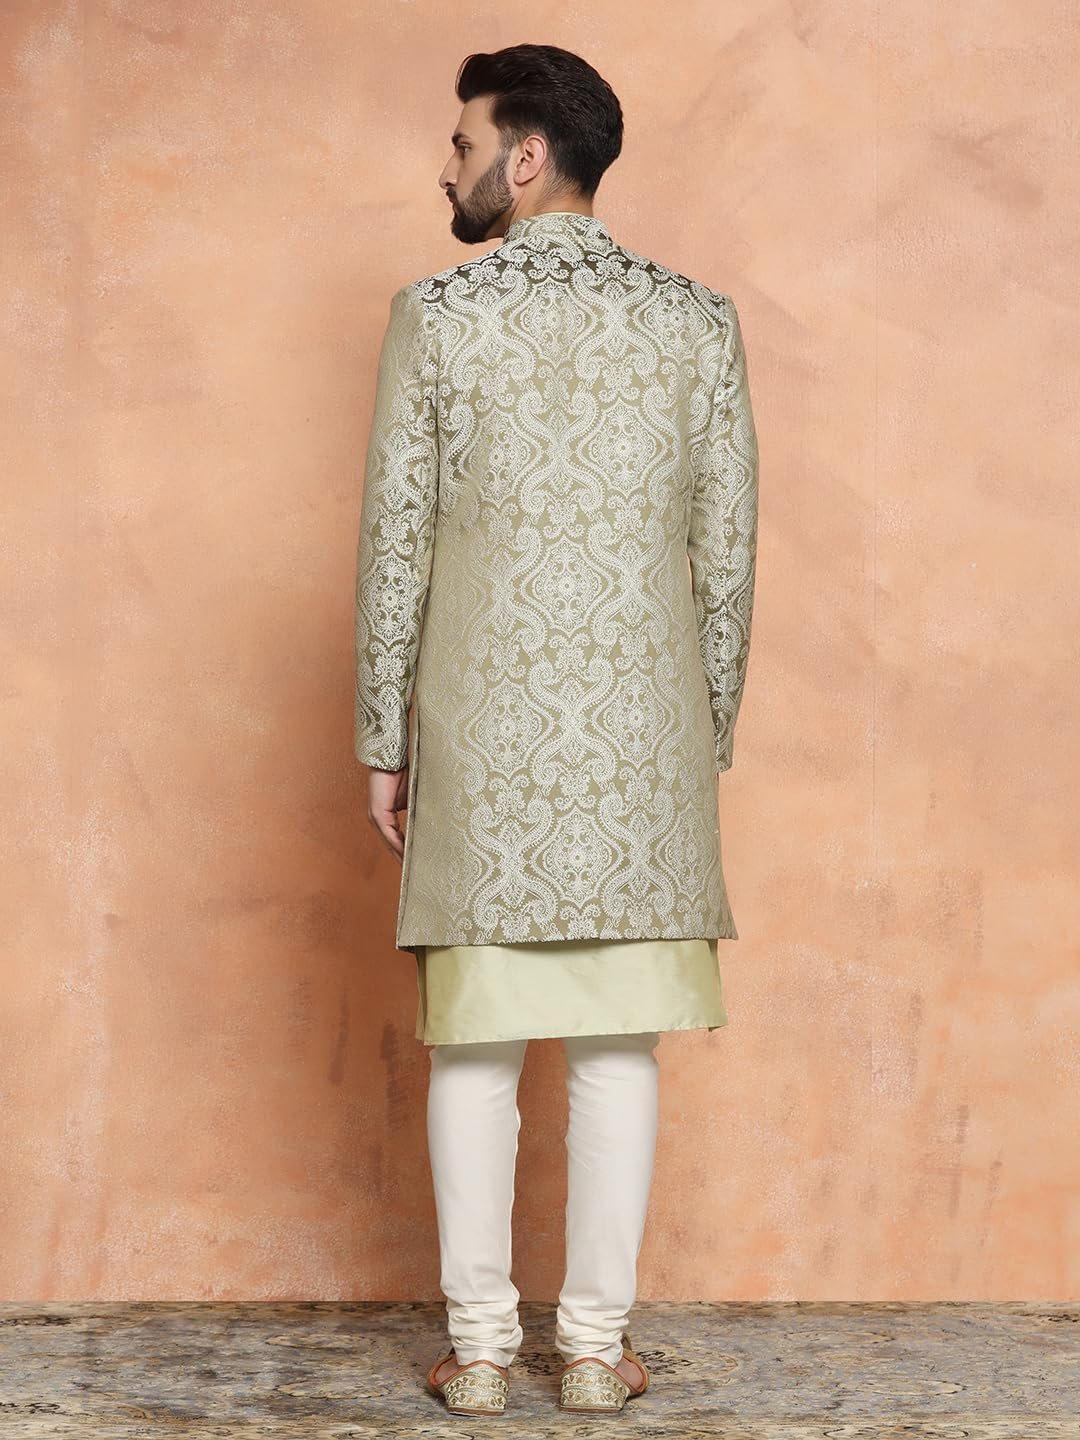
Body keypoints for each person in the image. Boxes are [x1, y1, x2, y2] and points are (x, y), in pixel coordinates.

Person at [353, 43, 759, 1416]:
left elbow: (397, 546)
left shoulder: (437, 316)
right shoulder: (697, 321)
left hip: (480, 734)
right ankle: (591, 1352)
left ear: (527, 158)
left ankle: (477, 1355)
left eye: (464, 142)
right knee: (616, 1048)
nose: (448, 166)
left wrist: (383, 737)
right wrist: (700, 736)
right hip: (642, 744)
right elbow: (728, 554)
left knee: (475, 1045)